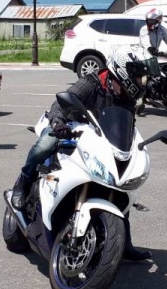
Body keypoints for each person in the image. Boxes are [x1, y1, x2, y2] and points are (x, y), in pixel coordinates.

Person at [10, 48, 153, 261]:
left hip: (96, 138)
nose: (142, 82)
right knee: (46, 144)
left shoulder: (126, 96)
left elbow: (126, 126)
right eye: (139, 76)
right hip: (68, 127)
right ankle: (23, 181)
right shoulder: (92, 82)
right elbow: (61, 103)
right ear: (124, 72)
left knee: (120, 182)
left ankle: (124, 242)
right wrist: (58, 123)